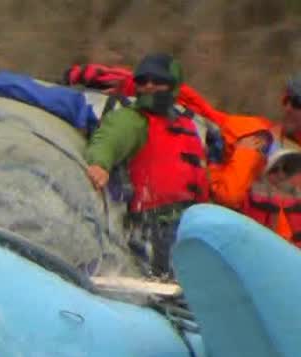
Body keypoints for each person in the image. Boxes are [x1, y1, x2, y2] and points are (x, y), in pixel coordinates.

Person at [84, 53, 210, 278]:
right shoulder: (133, 120)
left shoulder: (188, 124)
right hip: (152, 227)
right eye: (142, 80)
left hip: (191, 225)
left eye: (157, 80)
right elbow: (109, 139)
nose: (149, 86)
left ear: (173, 85)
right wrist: (99, 164)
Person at [205, 74, 301, 246]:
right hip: (249, 242)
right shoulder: (253, 135)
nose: (288, 108)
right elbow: (228, 196)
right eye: (287, 100)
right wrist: (241, 154)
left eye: (297, 104)